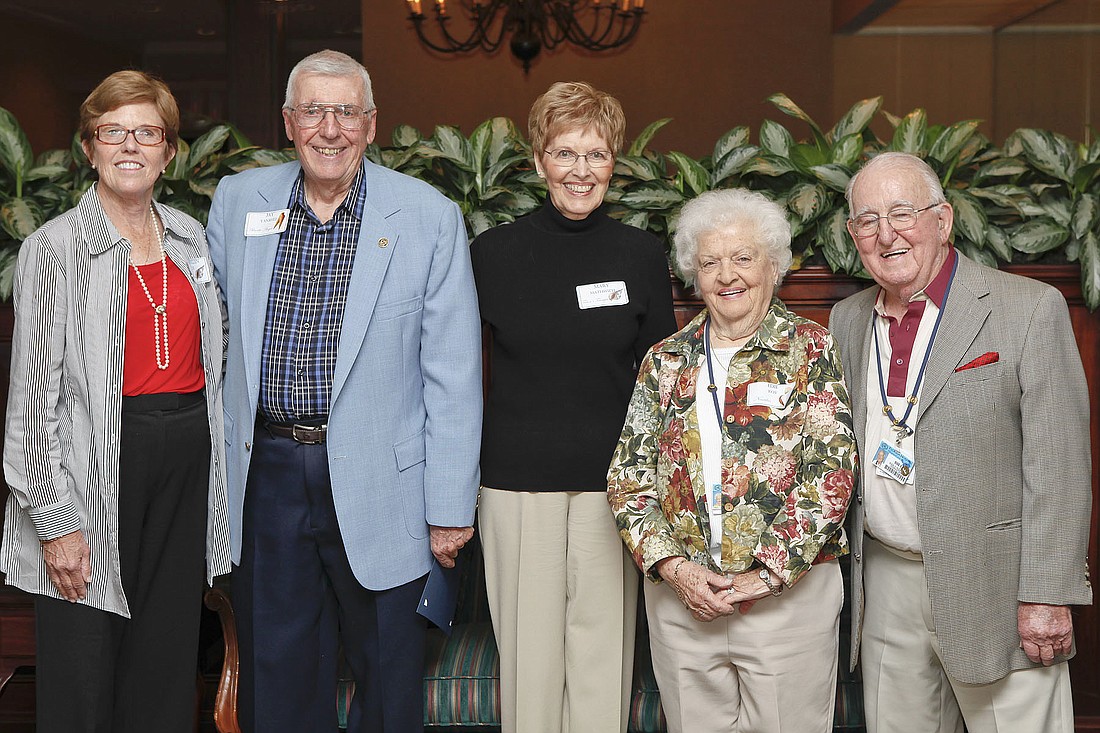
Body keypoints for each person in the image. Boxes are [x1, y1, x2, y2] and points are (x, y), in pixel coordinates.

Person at [206, 49, 482, 733]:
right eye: (313, 111)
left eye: (346, 112)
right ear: (288, 122)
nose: (330, 129)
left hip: (384, 483)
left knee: (389, 677)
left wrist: (450, 506)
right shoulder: (240, 200)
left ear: (371, 123)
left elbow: (454, 373)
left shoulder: (427, 216)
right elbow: (208, 345)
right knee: (277, 673)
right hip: (266, 473)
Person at [830, 151, 1094, 733]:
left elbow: (1060, 467)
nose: (886, 234)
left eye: (902, 213)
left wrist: (1047, 594)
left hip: (997, 585)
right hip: (887, 582)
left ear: (943, 220)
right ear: (853, 235)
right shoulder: (845, 320)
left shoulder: (1027, 309)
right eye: (867, 220)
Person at [2, 70, 231, 733]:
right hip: (94, 464)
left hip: (184, 459)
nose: (130, 145)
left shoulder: (190, 237)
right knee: (84, 665)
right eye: (112, 132)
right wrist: (56, 519)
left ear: (169, 150)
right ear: (89, 147)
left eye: (147, 132)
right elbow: (30, 404)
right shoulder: (54, 248)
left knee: (163, 659)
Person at [607, 188, 857, 733]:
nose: (727, 276)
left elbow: (830, 474)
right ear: (694, 277)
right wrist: (677, 571)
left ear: (773, 265)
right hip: (684, 605)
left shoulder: (810, 348)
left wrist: (760, 578)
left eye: (743, 258)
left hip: (787, 604)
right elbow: (629, 479)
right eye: (710, 263)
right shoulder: (666, 359)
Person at [471, 80, 676, 733]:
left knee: (600, 662)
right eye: (565, 153)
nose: (581, 171)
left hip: (610, 489)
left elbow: (659, 387)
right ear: (538, 161)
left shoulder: (641, 256)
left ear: (614, 162)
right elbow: (456, 374)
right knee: (528, 666)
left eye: (596, 154)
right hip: (515, 484)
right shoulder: (491, 255)